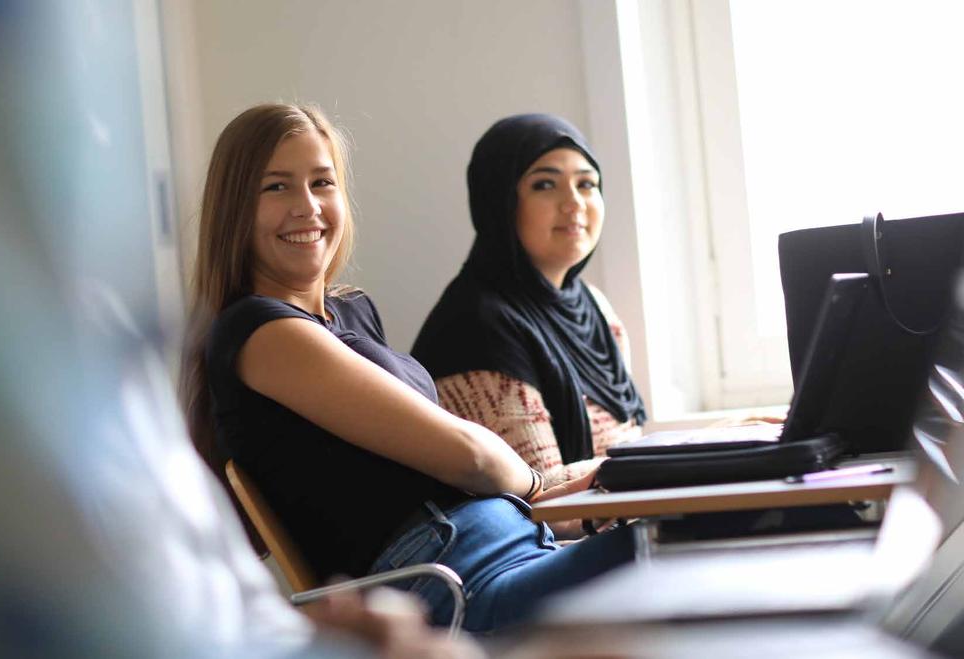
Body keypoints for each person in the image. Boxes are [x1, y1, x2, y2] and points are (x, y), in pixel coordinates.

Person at [180, 103, 638, 634]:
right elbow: (467, 455)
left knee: (695, 525)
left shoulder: (349, 311)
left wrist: (561, 494)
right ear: (236, 207)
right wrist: (539, 486)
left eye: (322, 182)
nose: (307, 206)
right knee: (675, 546)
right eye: (276, 187)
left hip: (511, 546)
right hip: (454, 584)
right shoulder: (259, 333)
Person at [412, 114, 646, 489]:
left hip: (614, 526)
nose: (574, 203)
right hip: (540, 545)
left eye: (586, 184)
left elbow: (625, 447)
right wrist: (670, 461)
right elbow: (542, 495)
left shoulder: (595, 308)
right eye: (545, 185)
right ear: (500, 202)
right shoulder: (477, 325)